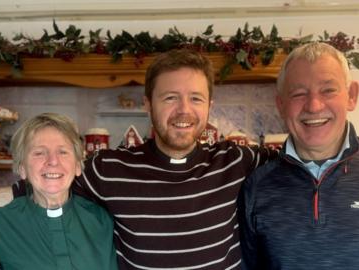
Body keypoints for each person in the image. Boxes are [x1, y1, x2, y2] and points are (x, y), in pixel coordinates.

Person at [70, 49, 276, 269]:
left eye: (196, 98)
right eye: (170, 98)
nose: (184, 110)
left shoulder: (235, 161)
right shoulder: (108, 169)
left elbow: (303, 159)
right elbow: (44, 185)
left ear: (209, 106)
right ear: (148, 104)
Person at [239, 42, 359, 270]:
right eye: (299, 93)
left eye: (328, 90)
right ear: (281, 105)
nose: (314, 105)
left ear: (351, 96)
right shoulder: (257, 186)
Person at [0, 113, 118, 270]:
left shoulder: (102, 221)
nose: (53, 161)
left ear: (77, 166)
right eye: (39, 153)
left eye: (63, 152)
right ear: (22, 169)